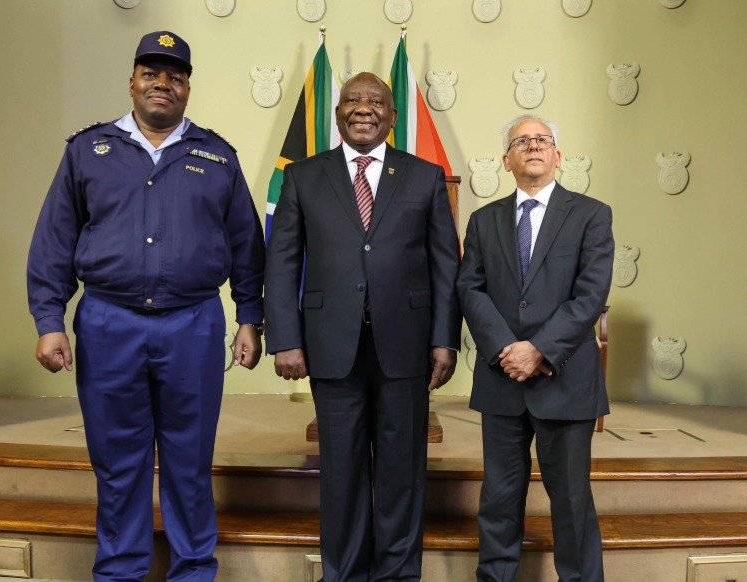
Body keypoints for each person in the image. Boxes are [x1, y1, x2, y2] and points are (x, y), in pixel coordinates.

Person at [27, 31, 265, 582]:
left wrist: (249, 317)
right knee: (117, 463)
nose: (164, 84)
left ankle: (193, 571)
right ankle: (120, 571)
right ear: (132, 82)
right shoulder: (87, 151)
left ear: (187, 88)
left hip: (194, 324)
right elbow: (54, 243)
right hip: (109, 322)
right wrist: (49, 321)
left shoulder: (217, 155)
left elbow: (247, 246)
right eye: (152, 73)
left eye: (176, 76)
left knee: (189, 461)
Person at [264, 72, 461, 581]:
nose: (363, 108)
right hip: (331, 345)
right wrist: (285, 338)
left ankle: (397, 574)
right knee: (342, 474)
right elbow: (282, 261)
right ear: (337, 114)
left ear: (393, 117)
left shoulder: (424, 175)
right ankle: (346, 574)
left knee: (403, 472)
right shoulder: (305, 176)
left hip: (407, 346)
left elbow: (446, 265)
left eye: (376, 101)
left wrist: (444, 339)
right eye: (352, 99)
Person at [457, 114, 614, 582]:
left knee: (570, 499)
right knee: (499, 498)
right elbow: (470, 288)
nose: (533, 146)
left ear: (558, 156)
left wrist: (540, 349)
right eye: (521, 141)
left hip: (564, 379)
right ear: (507, 160)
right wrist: (508, 347)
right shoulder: (483, 221)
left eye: (542, 140)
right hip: (502, 378)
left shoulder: (591, 214)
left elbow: (591, 294)